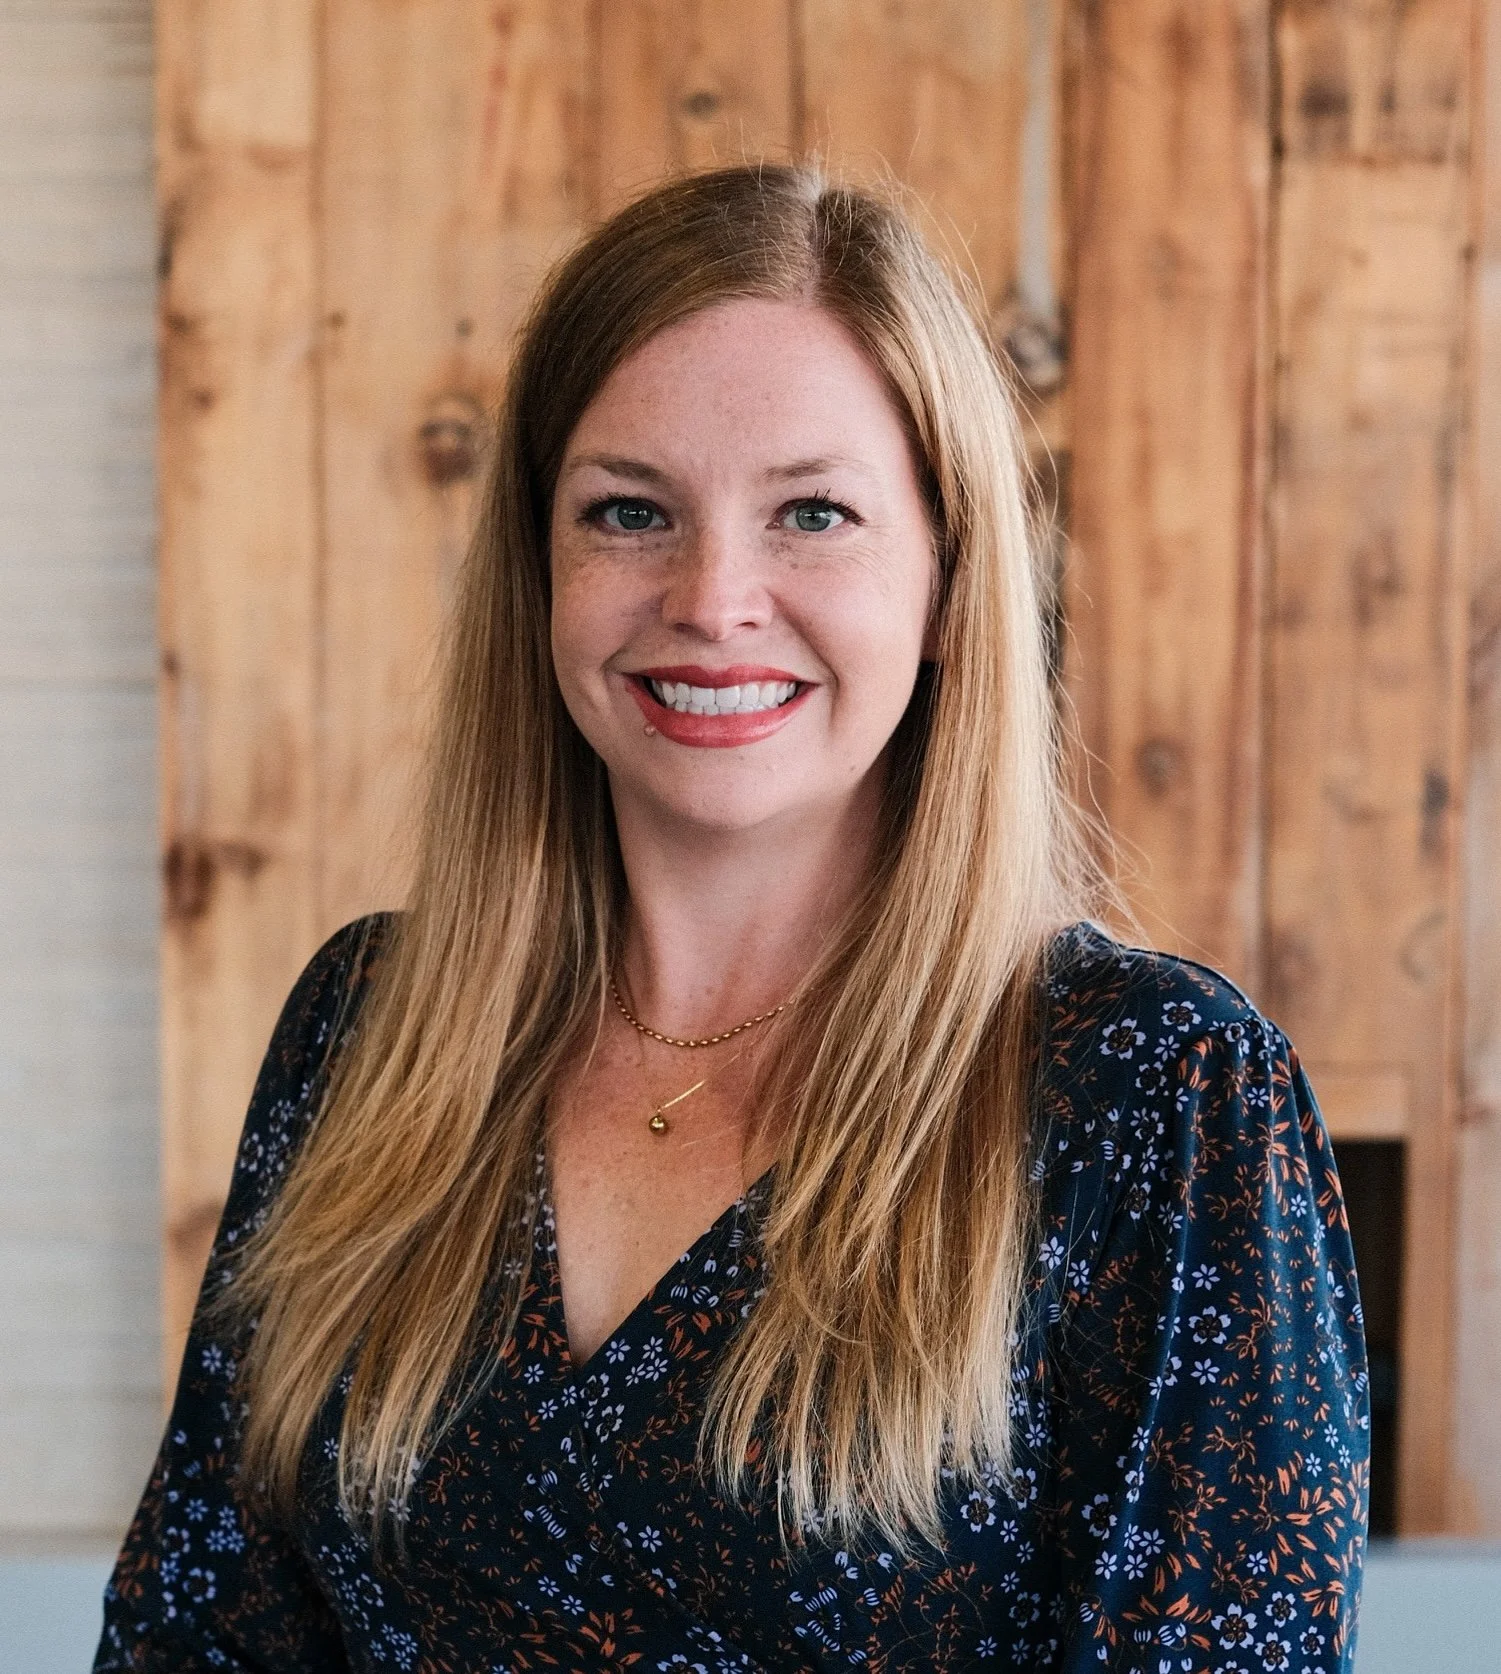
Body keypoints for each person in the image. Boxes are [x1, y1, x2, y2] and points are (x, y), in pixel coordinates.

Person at [95, 164, 1368, 1673]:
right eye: (630, 511)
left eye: (813, 513)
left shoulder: (1161, 1097)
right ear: (539, 571)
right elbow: (197, 1633)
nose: (714, 597)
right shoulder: (368, 1030)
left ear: (952, 583)